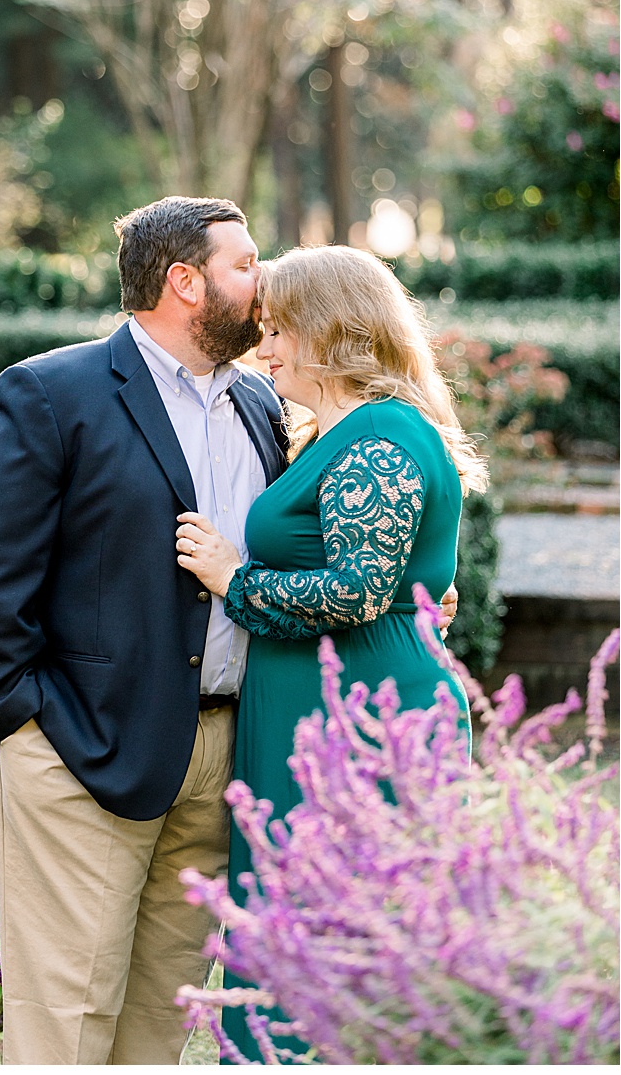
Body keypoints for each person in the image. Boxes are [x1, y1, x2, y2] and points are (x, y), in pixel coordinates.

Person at [0, 196, 288, 1063]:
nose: (265, 280)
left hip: (222, 756)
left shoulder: (260, 404)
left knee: (161, 1026)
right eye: (246, 264)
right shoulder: (50, 393)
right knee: (65, 1024)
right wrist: (24, 720)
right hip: (82, 751)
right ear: (185, 282)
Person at [175, 244, 482, 1061]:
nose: (264, 348)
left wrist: (233, 578)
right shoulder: (340, 432)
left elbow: (358, 590)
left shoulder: (378, 434)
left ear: (334, 329)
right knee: (301, 930)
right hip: (318, 711)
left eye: (279, 330)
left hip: (360, 718)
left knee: (347, 935)